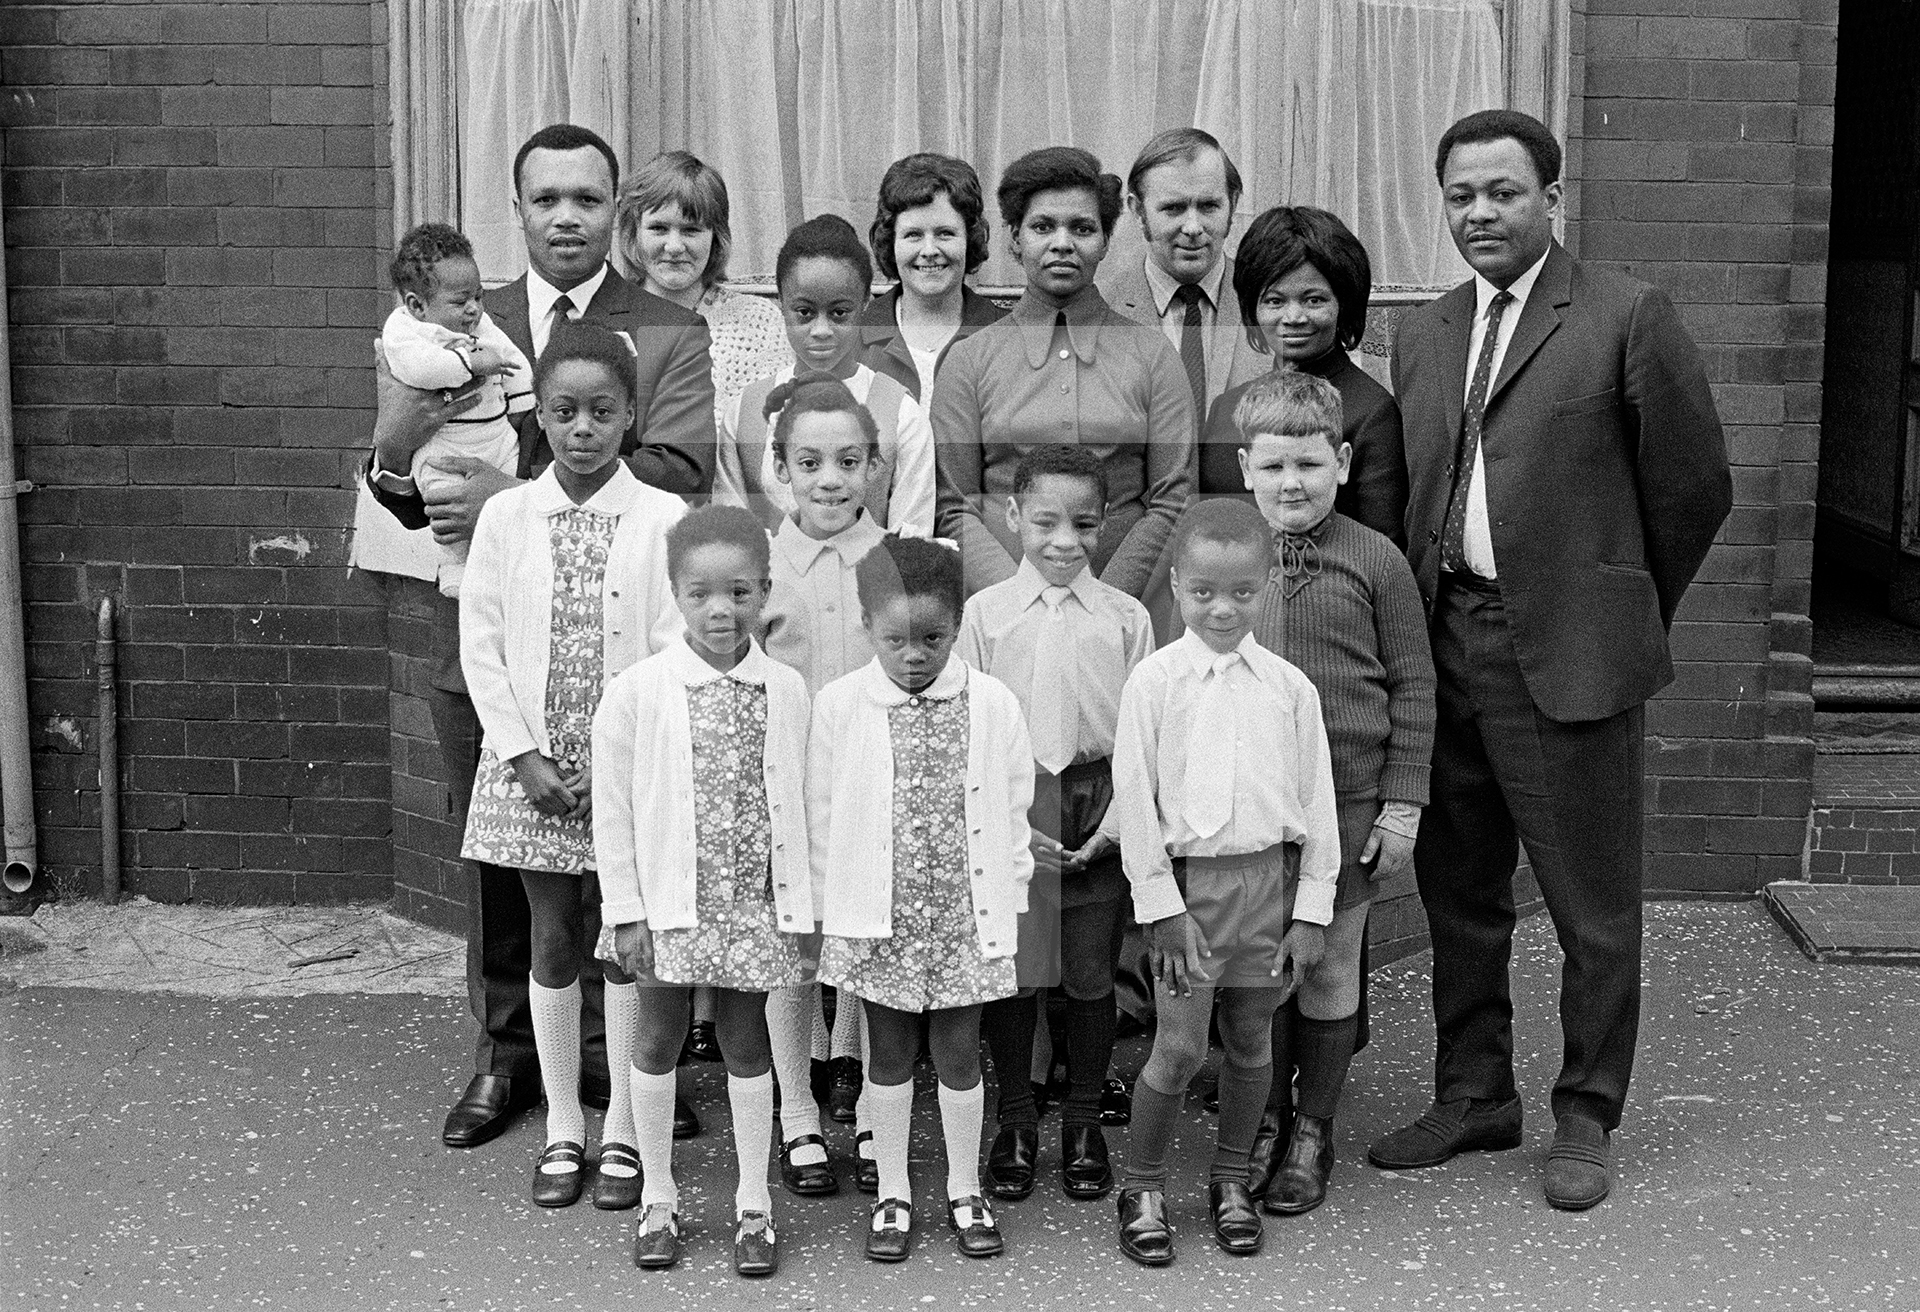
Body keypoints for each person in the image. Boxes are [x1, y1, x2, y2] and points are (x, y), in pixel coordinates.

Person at [1367, 109, 1731, 1211]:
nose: (1481, 213)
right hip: (1448, 646)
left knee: (1591, 906)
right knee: (1459, 888)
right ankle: (1476, 1094)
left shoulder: (1625, 313)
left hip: (1569, 655)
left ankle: (1586, 1111)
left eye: (1504, 193)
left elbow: (1693, 487)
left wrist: (1616, 605)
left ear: (1551, 199)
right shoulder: (1426, 331)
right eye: (1462, 196)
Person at [364, 123, 716, 1150]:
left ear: (615, 211)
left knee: (619, 860)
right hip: (481, 638)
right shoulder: (458, 316)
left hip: (616, 647)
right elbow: (397, 477)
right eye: (546, 198)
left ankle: (618, 1060)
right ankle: (507, 1054)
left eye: (587, 199)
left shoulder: (663, 327)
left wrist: (511, 497)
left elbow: (682, 481)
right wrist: (397, 452)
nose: (566, 216)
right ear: (516, 209)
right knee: (504, 860)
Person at [457, 324, 686, 1210]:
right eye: (564, 412)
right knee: (553, 940)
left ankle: (625, 1127)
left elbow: (672, 648)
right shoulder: (509, 517)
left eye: (601, 411)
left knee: (626, 942)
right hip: (532, 773)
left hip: (626, 769)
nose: (582, 428)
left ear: (630, 416)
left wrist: (613, 761)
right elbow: (481, 643)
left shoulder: (661, 518)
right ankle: (563, 1126)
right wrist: (523, 755)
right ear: (541, 418)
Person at [1108, 498, 1339, 1266]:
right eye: (1204, 591)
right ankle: (1140, 1186)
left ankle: (1232, 1179)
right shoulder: (1154, 683)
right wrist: (1160, 906)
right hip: (1189, 893)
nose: (1221, 607)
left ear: (1266, 586)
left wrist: (1311, 911)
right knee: (1176, 1049)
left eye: (1241, 592)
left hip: (1266, 886)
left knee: (1249, 1039)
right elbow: (1135, 803)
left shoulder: (1289, 688)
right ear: (1176, 585)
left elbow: (1318, 806)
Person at [593, 504, 815, 1277]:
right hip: (666, 904)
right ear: (675, 593)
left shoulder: (786, 689)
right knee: (655, 1040)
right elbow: (614, 810)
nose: (721, 609)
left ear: (763, 592)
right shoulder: (639, 691)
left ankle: (754, 1203)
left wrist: (803, 907)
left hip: (753, 904)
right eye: (701, 593)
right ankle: (660, 1195)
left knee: (746, 1042)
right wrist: (626, 911)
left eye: (740, 592)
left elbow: (804, 803)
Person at [1234, 371, 1435, 1216]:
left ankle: (1312, 1130)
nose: (1292, 484)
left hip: (1347, 803)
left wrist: (1401, 807)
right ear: (1245, 467)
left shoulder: (1376, 559)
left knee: (1326, 968)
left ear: (1343, 462)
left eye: (1310, 465)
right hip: (1250, 805)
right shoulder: (1223, 559)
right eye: (1275, 466)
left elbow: (1415, 687)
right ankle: (1264, 1117)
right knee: (1260, 971)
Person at [809, 536, 1034, 1263]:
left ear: (959, 624)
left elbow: (1014, 809)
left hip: (965, 916)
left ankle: (965, 1188)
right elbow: (820, 813)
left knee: (961, 1054)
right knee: (891, 1055)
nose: (914, 655)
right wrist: (821, 912)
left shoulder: (992, 703)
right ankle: (895, 1192)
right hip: (882, 918)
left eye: (933, 637)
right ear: (868, 627)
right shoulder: (842, 705)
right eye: (896, 639)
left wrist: (1013, 902)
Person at [957, 445, 1155, 1205]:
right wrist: (1005, 819)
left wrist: (1118, 821)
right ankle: (1014, 1120)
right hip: (1017, 799)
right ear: (1013, 517)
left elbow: (1142, 732)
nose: (1063, 541)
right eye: (1044, 522)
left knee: (1089, 975)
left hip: (1099, 800)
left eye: (1083, 523)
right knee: (1016, 974)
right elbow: (971, 726)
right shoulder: (986, 616)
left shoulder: (1126, 619)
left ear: (1104, 525)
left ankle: (1082, 1121)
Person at [934, 145, 1194, 603]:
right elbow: (954, 504)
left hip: (1128, 613)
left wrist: (1106, 603)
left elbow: (1173, 498)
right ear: (1014, 238)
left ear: (1106, 242)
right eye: (1041, 227)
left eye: (1082, 228)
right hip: (998, 616)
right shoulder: (968, 360)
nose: (1062, 243)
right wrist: (1016, 600)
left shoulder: (1153, 355)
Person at [757, 374, 898, 1199]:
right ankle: (799, 1111)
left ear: (875, 466)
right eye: (809, 462)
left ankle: (873, 1102)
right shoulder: (763, 563)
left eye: (849, 461)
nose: (831, 479)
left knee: (869, 943)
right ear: (781, 467)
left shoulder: (897, 560)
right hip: (788, 791)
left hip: (875, 787)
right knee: (794, 947)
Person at [715, 215, 935, 538]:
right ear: (781, 304)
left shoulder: (901, 415)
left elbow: (913, 545)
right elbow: (730, 537)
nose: (821, 331)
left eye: (838, 314)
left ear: (864, 304)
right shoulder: (746, 412)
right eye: (804, 313)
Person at [1201, 206, 1408, 543]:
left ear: (1344, 304)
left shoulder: (1373, 413)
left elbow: (1382, 549)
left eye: (1314, 300)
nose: (1293, 316)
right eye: (1274, 300)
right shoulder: (1226, 409)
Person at [380, 222, 532, 598]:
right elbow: (416, 373)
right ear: (416, 304)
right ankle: (456, 566)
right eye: (464, 300)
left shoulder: (481, 320)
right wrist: (393, 445)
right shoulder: (405, 332)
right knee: (447, 497)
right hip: (445, 448)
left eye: (479, 297)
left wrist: (523, 395)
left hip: (496, 437)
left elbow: (507, 356)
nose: (475, 308)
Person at [1099, 128, 1266, 425]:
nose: (1192, 227)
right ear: (1138, 211)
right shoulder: (1100, 310)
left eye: (1208, 206)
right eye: (1173, 208)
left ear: (1233, 205)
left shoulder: (1269, 305)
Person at [615, 149, 790, 426]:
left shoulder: (760, 323)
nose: (674, 247)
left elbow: (777, 432)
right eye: (658, 228)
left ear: (716, 237)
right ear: (633, 234)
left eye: (691, 230)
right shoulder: (608, 313)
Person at [860, 153, 1007, 401]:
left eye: (945, 233)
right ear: (890, 242)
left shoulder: (1005, 335)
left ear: (970, 239)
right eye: (913, 235)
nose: (929, 250)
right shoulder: (854, 337)